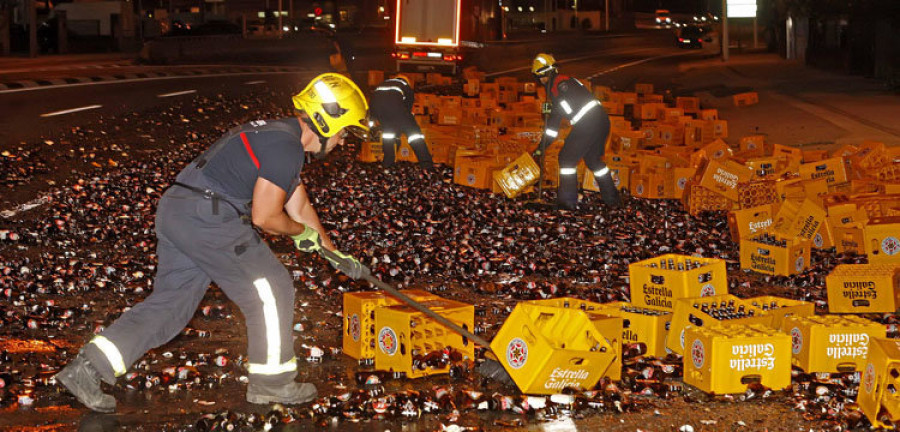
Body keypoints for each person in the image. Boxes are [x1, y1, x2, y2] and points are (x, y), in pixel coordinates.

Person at [54, 73, 371, 413]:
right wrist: (299, 234)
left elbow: (300, 206)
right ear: (325, 122)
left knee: (171, 306)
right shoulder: (285, 147)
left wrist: (334, 253)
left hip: (181, 210)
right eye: (343, 132)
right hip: (208, 216)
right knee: (272, 287)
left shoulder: (277, 136)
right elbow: (265, 217)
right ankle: (273, 384)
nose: (341, 141)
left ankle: (86, 369)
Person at [531, 53, 621, 210]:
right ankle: (612, 199)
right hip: (601, 122)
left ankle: (567, 201)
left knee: (566, 159)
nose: (540, 81)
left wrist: (541, 149)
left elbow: (553, 126)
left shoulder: (558, 89)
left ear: (546, 74)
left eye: (540, 77)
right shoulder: (566, 81)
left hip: (587, 124)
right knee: (593, 160)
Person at [368, 75, 434, 170]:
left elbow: (373, 101)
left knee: (388, 136)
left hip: (379, 111)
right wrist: (406, 119)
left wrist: (373, 118)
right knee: (415, 136)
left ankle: (388, 163)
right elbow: (408, 103)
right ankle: (426, 165)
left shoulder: (383, 84)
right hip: (396, 110)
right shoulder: (404, 85)